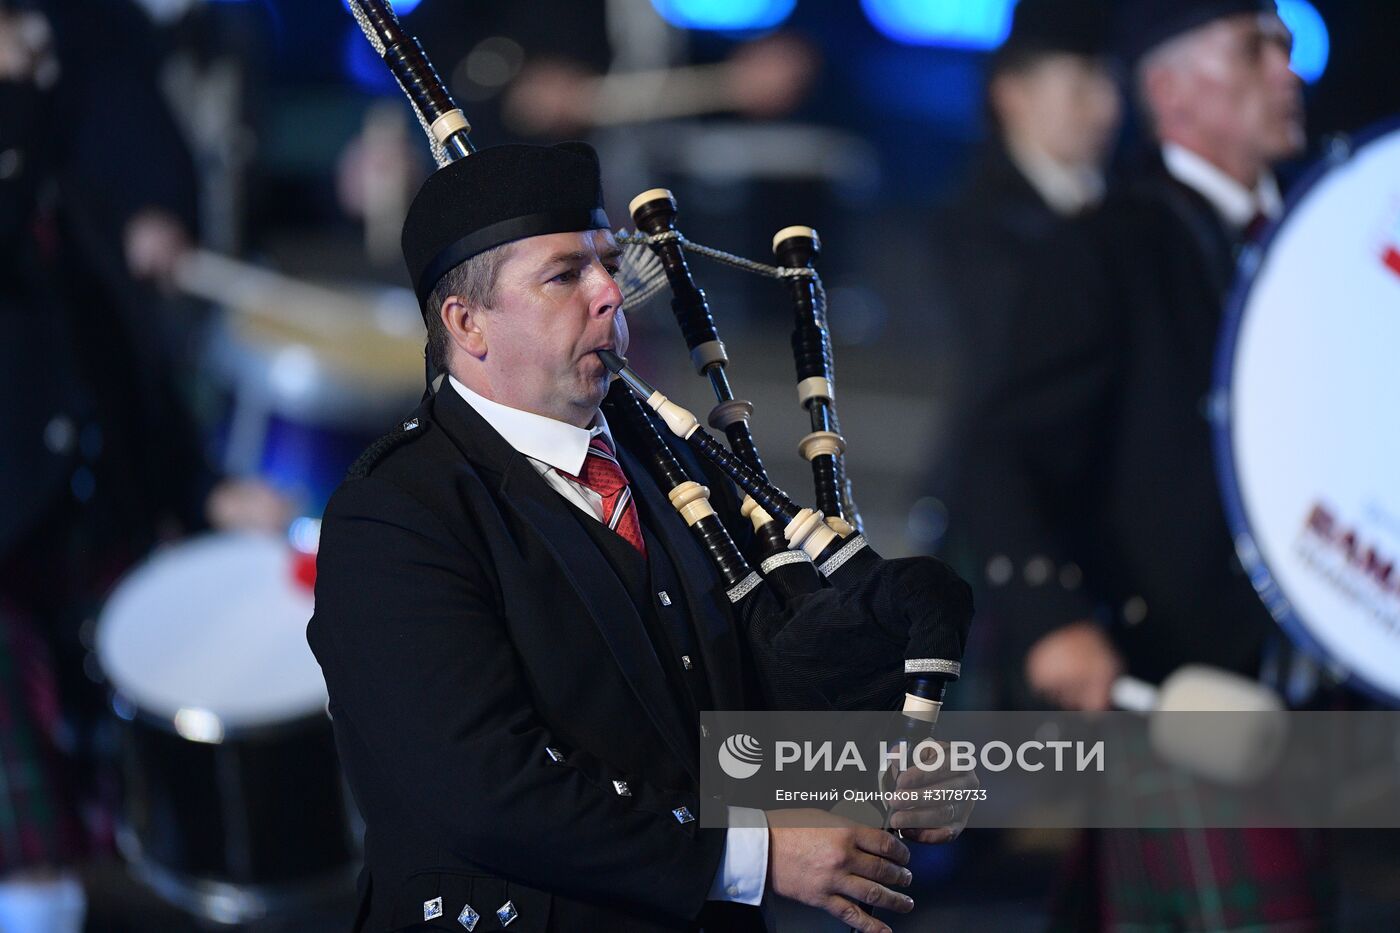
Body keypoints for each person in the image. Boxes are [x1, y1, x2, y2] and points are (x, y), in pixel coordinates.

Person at [308, 141, 970, 932]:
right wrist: (755, 852)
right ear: (467, 323)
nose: (610, 293)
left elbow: (719, 733)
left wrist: (870, 766)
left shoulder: (671, 467)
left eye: (609, 264)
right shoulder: (396, 514)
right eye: (566, 274)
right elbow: (486, 790)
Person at [954, 0, 1332, 928]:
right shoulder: (1106, 246)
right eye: (1255, 49)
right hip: (1177, 682)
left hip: (1320, 694)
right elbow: (1000, 454)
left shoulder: (1328, 246)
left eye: (1287, 47)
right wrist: (1050, 620)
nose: (1288, 71)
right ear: (1168, 88)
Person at [1, 3, 288, 929]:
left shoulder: (66, 196)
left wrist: (205, 489)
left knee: (103, 847)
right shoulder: (25, 177)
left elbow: (130, 369)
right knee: (33, 879)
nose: (34, 48)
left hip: (74, 542)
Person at [926, 0, 1120, 708]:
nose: (1105, 108)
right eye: (1080, 86)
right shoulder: (982, 229)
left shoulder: (1118, 216)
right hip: (1007, 531)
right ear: (1012, 93)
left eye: (1110, 84)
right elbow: (993, 405)